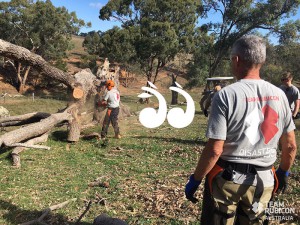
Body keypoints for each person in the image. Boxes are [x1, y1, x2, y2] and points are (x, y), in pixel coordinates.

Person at [185, 35, 297, 225]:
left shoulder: (225, 95)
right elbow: (291, 146)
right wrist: (283, 172)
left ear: (236, 60)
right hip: (264, 180)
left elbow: (215, 150)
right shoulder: (280, 95)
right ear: (262, 61)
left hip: (227, 181)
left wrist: (196, 179)